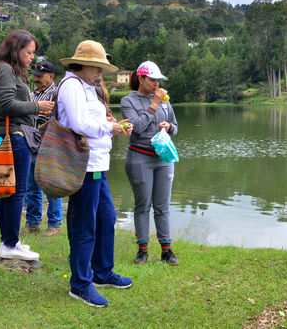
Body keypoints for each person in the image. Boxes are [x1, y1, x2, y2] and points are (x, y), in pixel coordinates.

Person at [58, 40, 133, 308]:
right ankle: (80, 284)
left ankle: (102, 272)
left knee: (106, 216)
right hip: (83, 165)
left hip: (97, 165)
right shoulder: (72, 86)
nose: (102, 73)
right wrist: (108, 128)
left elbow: (91, 120)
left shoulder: (86, 86)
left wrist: (112, 124)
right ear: (85, 64)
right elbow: (78, 123)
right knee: (84, 225)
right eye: (99, 67)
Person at [0, 30, 55, 260]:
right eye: (29, 52)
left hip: (3, 134)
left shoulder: (1, 69)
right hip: (14, 136)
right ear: (17, 49)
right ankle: (11, 244)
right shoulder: (5, 69)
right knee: (16, 191)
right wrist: (37, 107)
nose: (32, 57)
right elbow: (5, 104)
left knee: (6, 190)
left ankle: (8, 242)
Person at [121, 61, 180, 265]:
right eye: (153, 80)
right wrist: (154, 104)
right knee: (143, 205)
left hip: (163, 158)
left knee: (163, 206)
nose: (157, 84)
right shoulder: (128, 101)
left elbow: (176, 126)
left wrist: (169, 127)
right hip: (140, 158)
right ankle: (143, 251)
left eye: (159, 81)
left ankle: (167, 250)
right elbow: (136, 127)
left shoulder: (165, 100)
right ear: (141, 78)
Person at [23, 58, 62, 236]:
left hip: (49, 145)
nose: (36, 79)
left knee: (51, 185)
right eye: (35, 75)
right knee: (32, 185)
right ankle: (32, 223)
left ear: (51, 76)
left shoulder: (57, 94)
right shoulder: (33, 94)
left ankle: (54, 224)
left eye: (40, 75)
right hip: (32, 143)